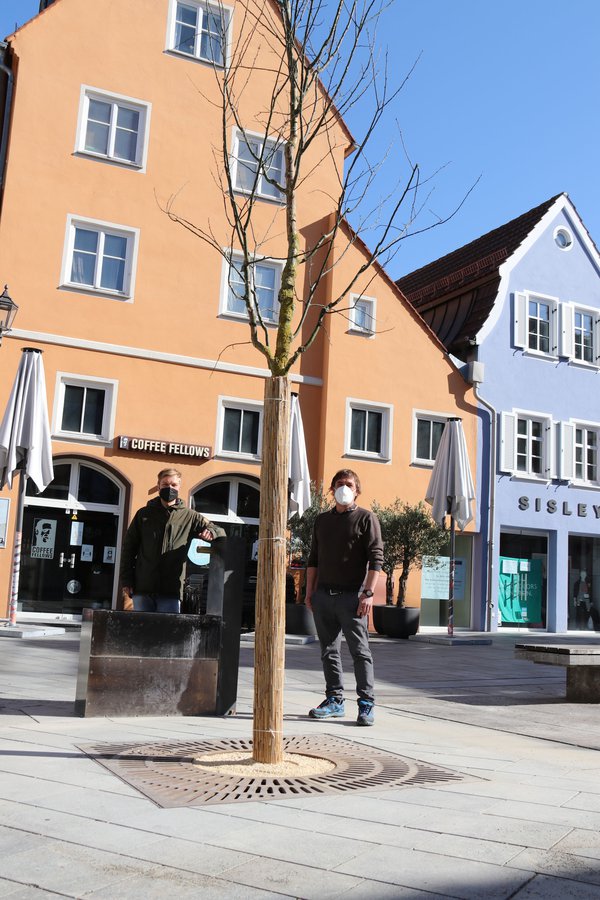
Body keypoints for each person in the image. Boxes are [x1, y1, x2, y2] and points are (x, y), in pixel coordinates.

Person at [305, 468, 383, 726]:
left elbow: (376, 558)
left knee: (360, 652)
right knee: (329, 651)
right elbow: (313, 559)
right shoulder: (321, 521)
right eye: (339, 483)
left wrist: (368, 593)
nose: (344, 487)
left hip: (352, 598)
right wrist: (309, 593)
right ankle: (335, 700)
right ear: (331, 489)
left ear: (357, 490)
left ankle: (366, 704)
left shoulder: (366, 518)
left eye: (349, 484)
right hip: (324, 596)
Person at [120, 467, 223, 613]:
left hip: (171, 591)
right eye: (165, 485)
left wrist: (211, 532)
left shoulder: (190, 517)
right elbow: (128, 549)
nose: (169, 488)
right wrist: (127, 580)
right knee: (141, 633)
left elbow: (219, 531)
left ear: (179, 486)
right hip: (143, 588)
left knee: (168, 633)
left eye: (173, 485)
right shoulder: (144, 514)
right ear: (158, 486)